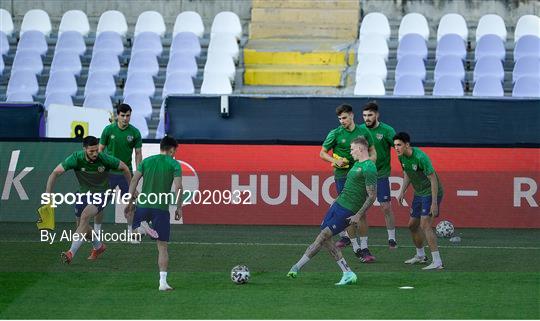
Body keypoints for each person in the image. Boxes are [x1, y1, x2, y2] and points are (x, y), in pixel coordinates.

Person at [289, 137, 377, 285]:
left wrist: (358, 215)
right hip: (338, 205)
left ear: (361, 149)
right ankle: (346, 272)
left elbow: (372, 196)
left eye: (352, 148)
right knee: (324, 238)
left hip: (348, 210)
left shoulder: (369, 168)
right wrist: (335, 201)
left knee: (324, 235)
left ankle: (296, 267)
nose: (350, 151)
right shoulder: (357, 164)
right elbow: (350, 187)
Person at [44, 136, 132, 264]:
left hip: (102, 193)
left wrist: (131, 188)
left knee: (85, 217)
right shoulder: (76, 158)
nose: (95, 153)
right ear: (84, 149)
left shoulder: (104, 158)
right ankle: (98, 246)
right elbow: (55, 173)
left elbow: (125, 168)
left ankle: (70, 253)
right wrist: (48, 195)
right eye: (91, 151)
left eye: (96, 150)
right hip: (83, 193)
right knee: (81, 227)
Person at [320, 103, 377, 263]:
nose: (342, 121)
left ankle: (364, 248)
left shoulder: (363, 131)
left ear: (352, 115)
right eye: (339, 119)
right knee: (348, 213)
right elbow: (322, 153)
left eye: (344, 118)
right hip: (343, 176)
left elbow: (372, 151)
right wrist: (334, 161)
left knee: (362, 213)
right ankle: (356, 247)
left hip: (360, 176)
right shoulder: (335, 133)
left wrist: (369, 162)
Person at [125, 136, 183, 291]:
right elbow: (178, 188)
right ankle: (162, 282)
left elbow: (133, 181)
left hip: (143, 205)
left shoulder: (146, 161)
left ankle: (142, 230)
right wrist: (179, 207)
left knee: (134, 235)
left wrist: (129, 201)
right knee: (162, 247)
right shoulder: (174, 164)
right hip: (161, 208)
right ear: (171, 149)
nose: (174, 153)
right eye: (174, 151)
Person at [393, 132, 444, 270]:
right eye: (395, 145)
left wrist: (434, 203)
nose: (396, 148)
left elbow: (433, 179)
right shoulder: (401, 157)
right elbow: (407, 173)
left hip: (431, 192)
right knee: (412, 225)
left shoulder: (421, 157)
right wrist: (402, 190)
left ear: (407, 145)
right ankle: (420, 255)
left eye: (399, 145)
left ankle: (437, 261)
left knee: (425, 224)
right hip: (419, 193)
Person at [96, 103, 142, 241]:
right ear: (117, 116)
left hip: (125, 174)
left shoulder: (135, 133)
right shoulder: (108, 130)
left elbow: (138, 154)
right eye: (123, 115)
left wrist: (138, 173)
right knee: (100, 204)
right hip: (108, 173)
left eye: (128, 115)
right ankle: (97, 232)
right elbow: (99, 151)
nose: (125, 118)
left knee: (131, 203)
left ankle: (130, 233)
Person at [358, 101, 398, 249]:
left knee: (386, 207)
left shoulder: (387, 130)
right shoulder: (359, 130)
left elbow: (398, 147)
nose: (367, 118)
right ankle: (363, 244)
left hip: (381, 174)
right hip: (363, 174)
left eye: (370, 115)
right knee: (361, 210)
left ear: (377, 115)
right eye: (364, 115)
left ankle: (392, 238)